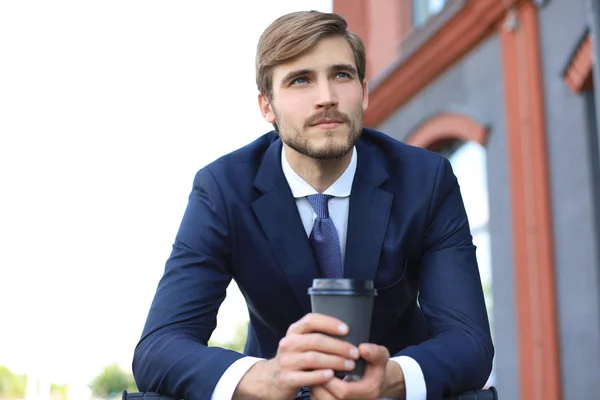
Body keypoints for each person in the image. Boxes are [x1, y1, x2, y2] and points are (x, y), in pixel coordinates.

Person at [132, 10, 494, 400]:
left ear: (364, 91)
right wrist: (266, 378)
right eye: (300, 80)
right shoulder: (223, 189)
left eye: (341, 75)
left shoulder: (426, 180)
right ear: (266, 106)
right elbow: (159, 346)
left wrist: (389, 377)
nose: (327, 98)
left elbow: (469, 341)